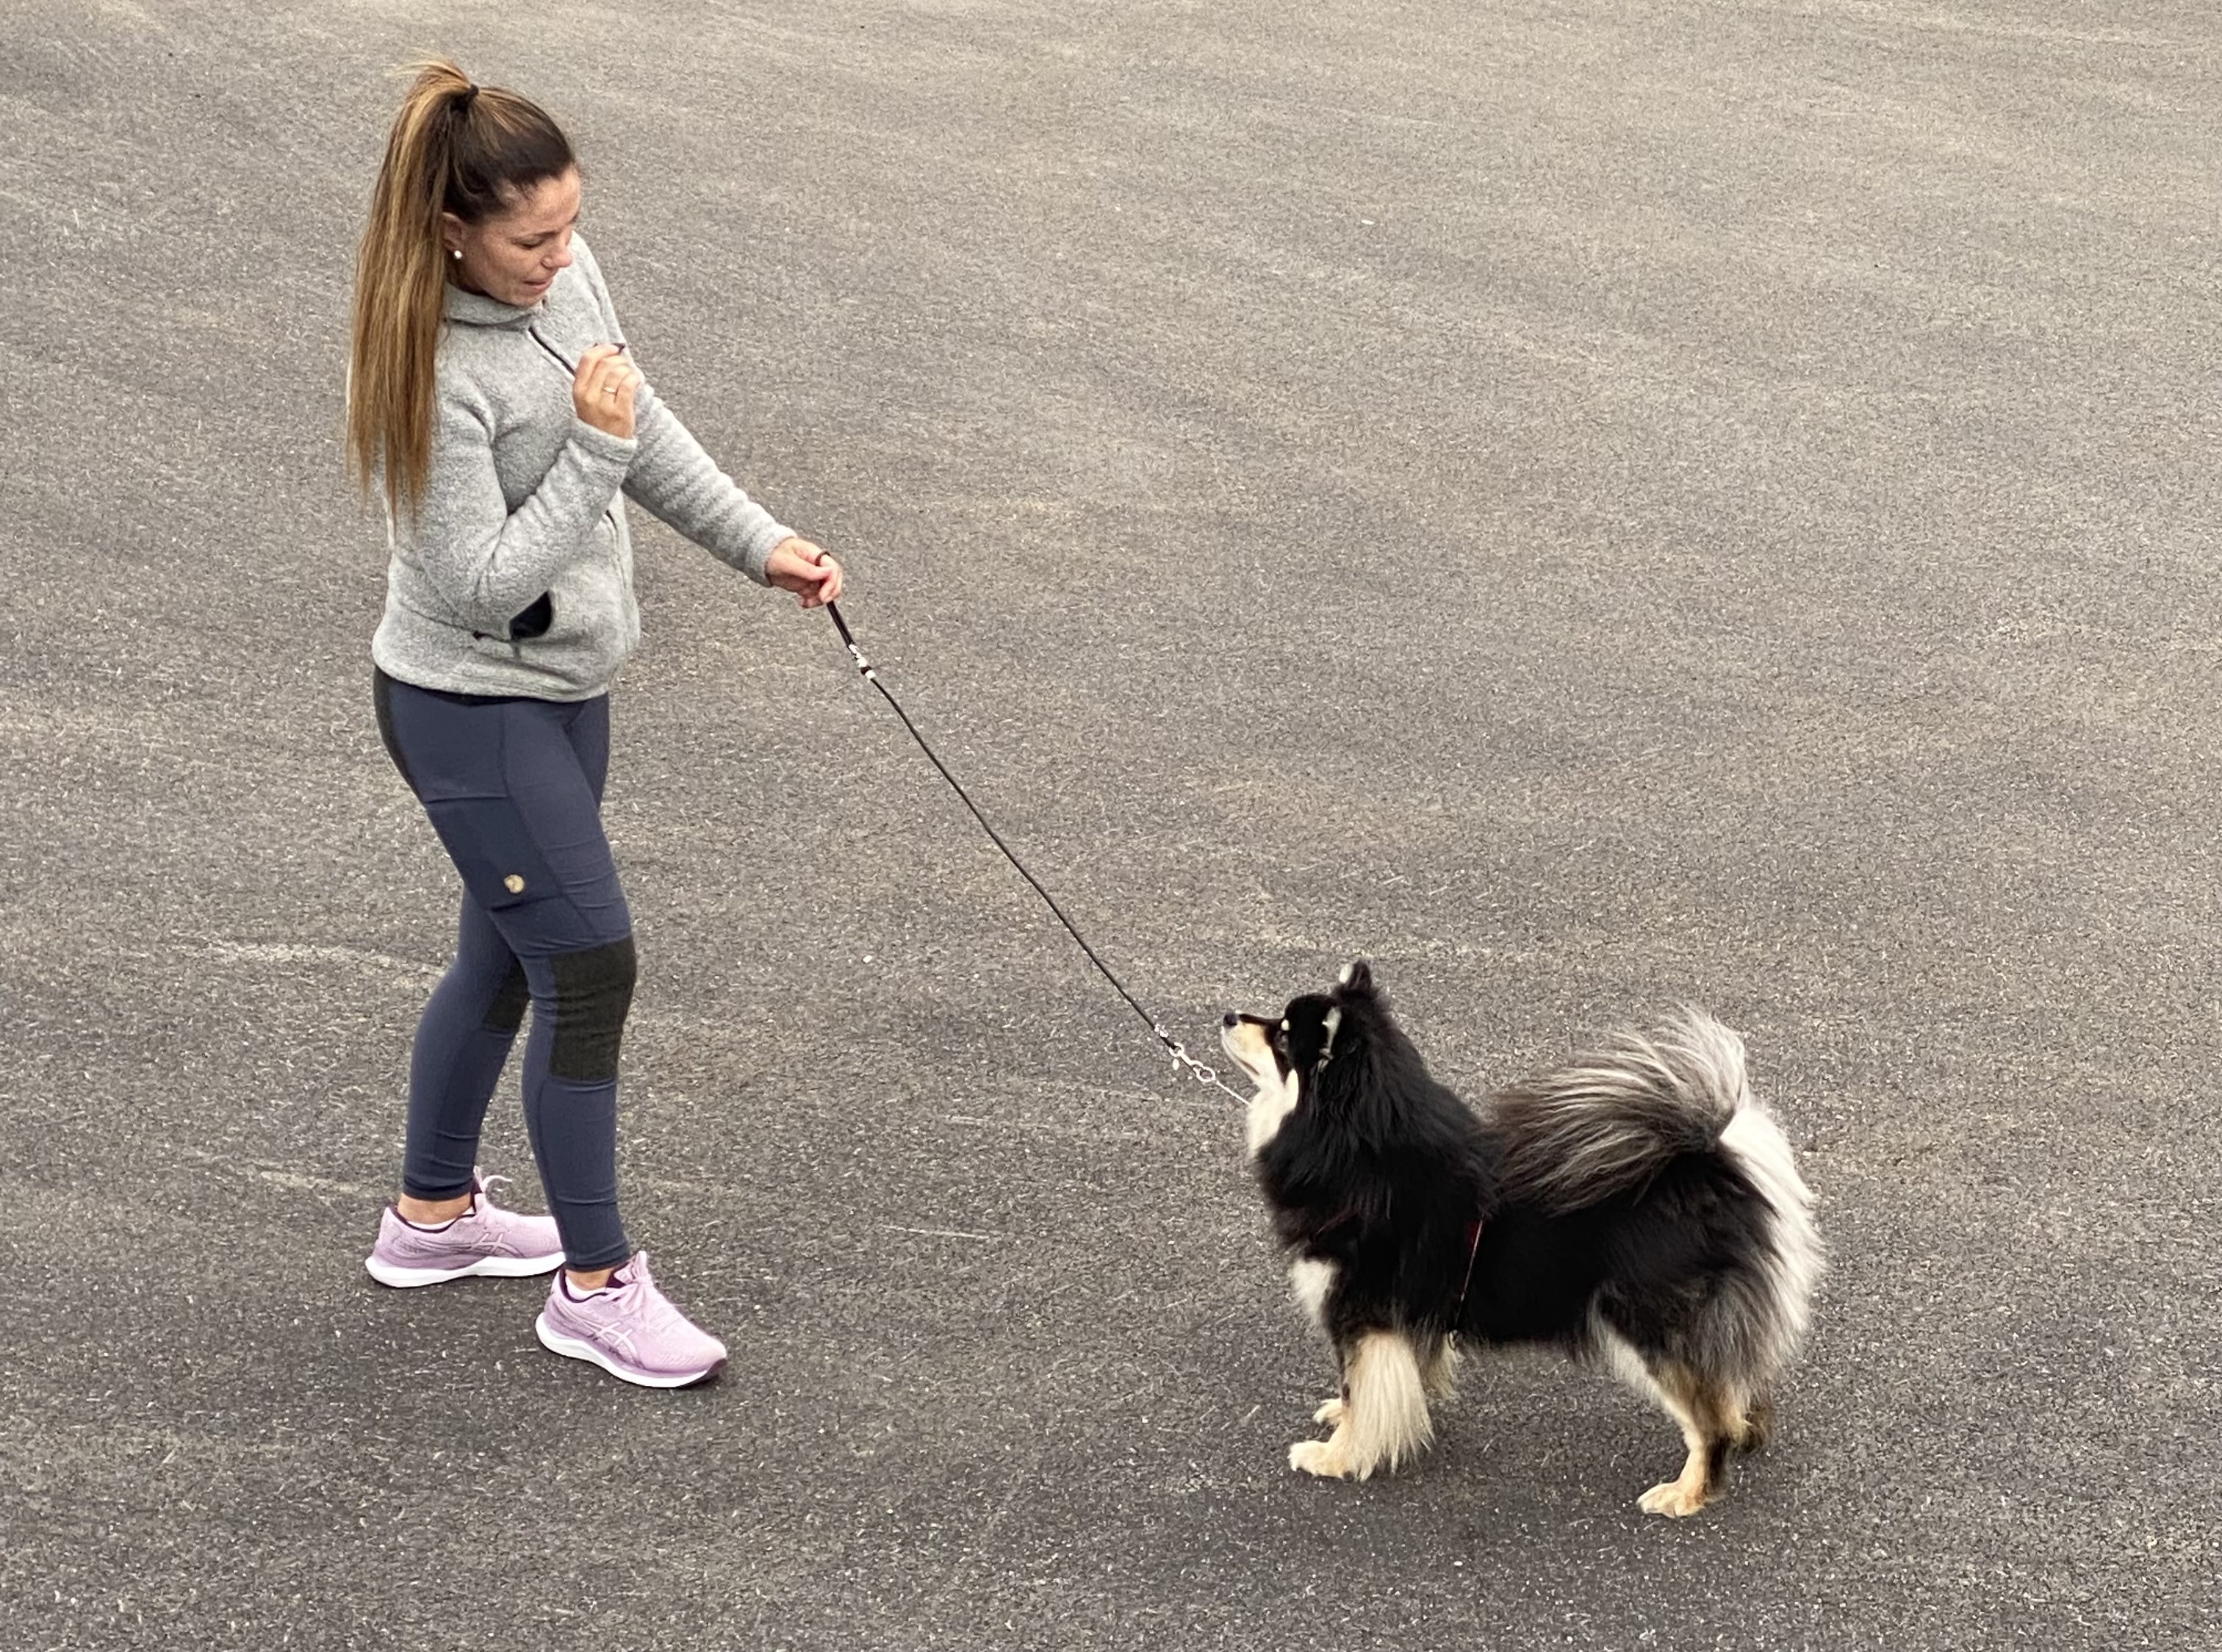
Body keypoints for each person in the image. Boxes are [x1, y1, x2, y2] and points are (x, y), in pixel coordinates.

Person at [345, 59, 841, 1388]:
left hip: (566, 698)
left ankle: (433, 1222)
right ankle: (596, 1285)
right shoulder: (430, 369)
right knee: (590, 964)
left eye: (571, 226)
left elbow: (638, 408)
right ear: (453, 229)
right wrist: (595, 453)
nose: (561, 258)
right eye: (533, 239)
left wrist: (760, 542)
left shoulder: (562, 275)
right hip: (468, 709)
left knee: (513, 959)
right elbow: (483, 583)